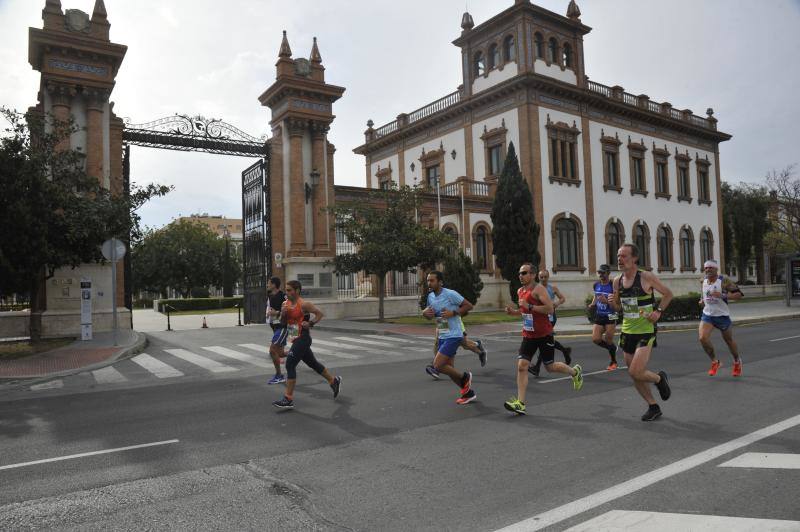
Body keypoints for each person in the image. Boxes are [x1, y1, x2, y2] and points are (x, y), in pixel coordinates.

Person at [504, 263, 583, 415]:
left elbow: (549, 308)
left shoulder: (539, 289)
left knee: (550, 367)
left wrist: (530, 306)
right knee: (522, 366)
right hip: (528, 334)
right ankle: (520, 403)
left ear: (533, 275)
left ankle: (575, 372)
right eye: (520, 273)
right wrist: (512, 312)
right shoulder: (520, 290)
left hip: (544, 334)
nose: (521, 275)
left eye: (524, 273)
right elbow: (523, 311)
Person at [609, 244, 672, 421]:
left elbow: (668, 294)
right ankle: (653, 406)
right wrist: (612, 302)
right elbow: (618, 307)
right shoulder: (617, 281)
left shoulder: (646, 277)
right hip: (627, 331)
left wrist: (658, 311)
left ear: (634, 258)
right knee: (634, 374)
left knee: (636, 371)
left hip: (645, 330)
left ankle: (659, 379)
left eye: (624, 256)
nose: (620, 260)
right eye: (618, 256)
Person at [272, 280, 341, 410]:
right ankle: (333, 381)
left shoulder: (304, 304)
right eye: (286, 290)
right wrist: (283, 314)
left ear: (297, 290)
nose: (287, 293)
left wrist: (310, 323)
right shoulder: (285, 304)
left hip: (303, 338)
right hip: (294, 337)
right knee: (313, 364)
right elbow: (283, 321)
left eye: (289, 290)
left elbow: (319, 314)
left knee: (290, 364)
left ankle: (288, 399)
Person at [422, 271, 477, 405]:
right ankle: (468, 393)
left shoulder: (450, 294)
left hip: (454, 334)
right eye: (428, 281)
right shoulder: (430, 297)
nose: (429, 283)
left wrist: (453, 312)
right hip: (443, 333)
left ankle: (465, 377)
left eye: (432, 280)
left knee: (437, 365)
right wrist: (424, 314)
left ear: (440, 282)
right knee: (449, 369)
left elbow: (469, 305)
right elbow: (433, 315)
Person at [698, 259, 744, 377]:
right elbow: (704, 293)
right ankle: (715, 362)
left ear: (716, 269)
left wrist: (723, 295)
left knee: (728, 341)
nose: (708, 270)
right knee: (703, 338)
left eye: (710, 268)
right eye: (706, 268)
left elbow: (739, 295)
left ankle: (737, 361)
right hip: (708, 315)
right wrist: (702, 300)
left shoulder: (724, 281)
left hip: (722, 316)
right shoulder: (703, 280)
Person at [528, 269, 572, 377]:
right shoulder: (536, 288)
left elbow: (562, 298)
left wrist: (556, 303)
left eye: (545, 277)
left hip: (550, 317)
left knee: (543, 340)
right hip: (539, 318)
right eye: (541, 277)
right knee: (545, 341)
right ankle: (565, 350)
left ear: (548, 277)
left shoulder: (552, 288)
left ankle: (536, 368)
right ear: (538, 277)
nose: (543, 279)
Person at [589, 264, 619, 370]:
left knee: (608, 339)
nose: (600, 275)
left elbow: (616, 306)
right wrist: (593, 304)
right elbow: (596, 295)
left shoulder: (612, 285)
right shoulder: (596, 284)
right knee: (596, 339)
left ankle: (613, 361)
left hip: (611, 315)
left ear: (608, 273)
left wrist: (606, 301)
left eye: (603, 272)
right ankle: (613, 348)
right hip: (600, 315)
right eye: (599, 272)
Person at [266, 277, 288, 385]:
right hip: (275, 327)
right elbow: (271, 310)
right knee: (281, 353)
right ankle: (299, 352)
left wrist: (276, 313)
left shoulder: (283, 296)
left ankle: (279, 375)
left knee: (272, 351)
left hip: (282, 327)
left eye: (269, 283)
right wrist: (269, 314)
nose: (267, 285)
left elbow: (288, 311)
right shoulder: (270, 296)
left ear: (274, 284)